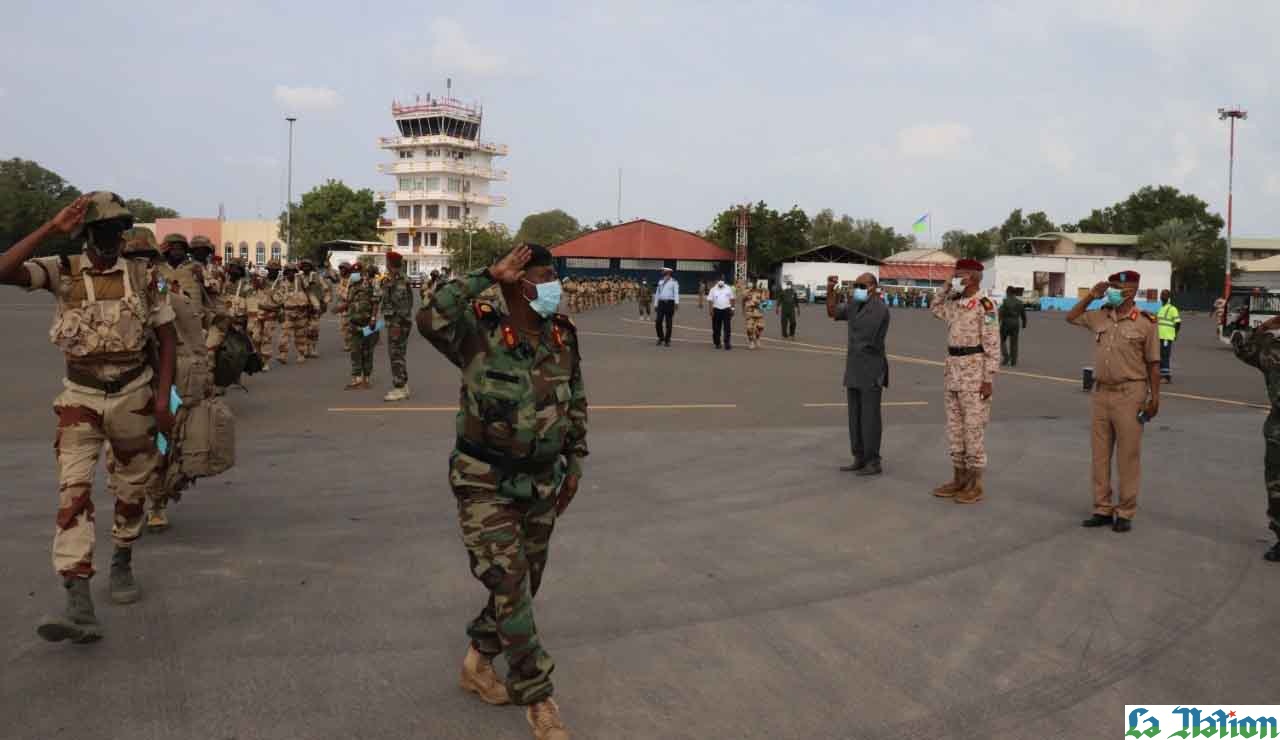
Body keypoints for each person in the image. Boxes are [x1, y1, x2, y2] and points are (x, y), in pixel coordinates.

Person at [417, 243, 585, 740]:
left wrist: (574, 462)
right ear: (517, 281)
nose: (554, 286)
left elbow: (575, 400)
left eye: (555, 275)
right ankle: (538, 697)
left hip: (539, 479)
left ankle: (477, 663)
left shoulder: (560, 334)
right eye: (544, 276)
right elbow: (429, 317)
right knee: (510, 583)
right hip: (483, 480)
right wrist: (484, 275)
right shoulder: (477, 331)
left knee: (523, 583)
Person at [0, 193, 178, 644]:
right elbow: (3, 270)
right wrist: (50, 227)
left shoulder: (144, 275)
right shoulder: (62, 269)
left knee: (132, 489)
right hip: (80, 395)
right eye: (104, 230)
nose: (113, 238)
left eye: (119, 229)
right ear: (86, 234)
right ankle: (77, 600)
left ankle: (122, 556)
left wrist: (162, 400)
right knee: (73, 492)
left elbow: (168, 338)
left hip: (134, 395)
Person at [1067, 270, 1160, 533]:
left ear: (1132, 290)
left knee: (1128, 456)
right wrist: (1090, 297)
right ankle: (1102, 508)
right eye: (1112, 286)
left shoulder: (1146, 322)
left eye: (1118, 287)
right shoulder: (1100, 315)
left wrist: (1154, 399)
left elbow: (1154, 364)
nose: (1113, 291)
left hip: (1130, 393)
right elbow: (1071, 317)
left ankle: (1126, 510)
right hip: (1101, 393)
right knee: (1099, 455)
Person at [930, 259, 1000, 503]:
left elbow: (992, 343)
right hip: (953, 373)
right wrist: (948, 284)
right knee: (955, 430)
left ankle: (975, 483)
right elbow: (934, 306)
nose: (957, 277)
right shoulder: (955, 304)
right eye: (956, 274)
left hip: (974, 373)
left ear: (974, 276)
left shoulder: (985, 305)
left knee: (973, 429)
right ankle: (958, 477)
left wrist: (988, 378)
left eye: (960, 274)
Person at [827, 273, 890, 476]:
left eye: (861, 285)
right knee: (854, 416)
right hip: (854, 366)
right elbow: (832, 312)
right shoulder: (856, 303)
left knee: (869, 417)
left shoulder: (879, 309)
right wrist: (830, 290)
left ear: (873, 287)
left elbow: (865, 336)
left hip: (871, 368)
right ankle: (859, 456)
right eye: (855, 285)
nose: (857, 289)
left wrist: (849, 306)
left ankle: (873, 461)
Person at [1231, 315, 1280, 562]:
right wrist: (1262, 328)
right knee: (1276, 488)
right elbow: (1242, 350)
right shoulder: (1272, 349)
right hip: (1277, 432)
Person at [380, 251, 415, 401]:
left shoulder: (399, 281)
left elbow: (402, 307)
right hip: (397, 322)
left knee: (396, 355)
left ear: (390, 263)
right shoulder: (393, 279)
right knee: (398, 354)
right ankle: (403, 385)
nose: (386, 264)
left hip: (398, 324)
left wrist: (396, 324)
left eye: (387, 261)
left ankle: (399, 388)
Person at [342, 263, 378, 389]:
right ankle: (357, 378)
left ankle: (366, 378)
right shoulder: (350, 285)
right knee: (355, 351)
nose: (355, 274)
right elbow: (348, 302)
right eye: (353, 272)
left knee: (367, 351)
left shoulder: (370, 284)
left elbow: (375, 302)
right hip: (353, 323)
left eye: (358, 272)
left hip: (367, 323)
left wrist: (373, 319)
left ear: (362, 272)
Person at [998, 286, 1028, 367]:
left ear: (1008, 292)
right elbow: (1023, 315)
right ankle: (1013, 361)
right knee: (1014, 342)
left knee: (1001, 340)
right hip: (1015, 323)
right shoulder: (1020, 302)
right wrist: (1024, 324)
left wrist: (997, 323)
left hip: (1006, 323)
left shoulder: (1005, 302)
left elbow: (1000, 313)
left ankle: (1006, 356)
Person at [1156, 289, 1181, 383]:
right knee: (1160, 356)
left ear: (1168, 297)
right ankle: (1161, 374)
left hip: (1166, 337)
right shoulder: (1161, 308)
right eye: (1162, 295)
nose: (1163, 297)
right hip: (1160, 336)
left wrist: (1175, 334)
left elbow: (1178, 322)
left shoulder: (1172, 309)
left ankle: (1166, 377)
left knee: (1165, 356)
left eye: (1165, 295)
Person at [653, 267, 679, 347]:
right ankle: (661, 338)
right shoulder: (660, 282)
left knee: (669, 323)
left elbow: (676, 293)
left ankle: (667, 340)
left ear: (668, 273)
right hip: (661, 303)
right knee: (658, 321)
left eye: (664, 271)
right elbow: (657, 293)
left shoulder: (674, 282)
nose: (662, 272)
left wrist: (676, 303)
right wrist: (655, 304)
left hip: (669, 304)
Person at [706, 278, 735, 350]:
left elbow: (732, 299)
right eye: (719, 280)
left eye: (722, 280)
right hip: (716, 309)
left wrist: (733, 309)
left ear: (724, 281)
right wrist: (710, 310)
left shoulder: (728, 288)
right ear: (717, 281)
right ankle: (717, 343)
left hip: (726, 309)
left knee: (727, 328)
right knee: (716, 328)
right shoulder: (713, 289)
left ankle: (727, 343)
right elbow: (710, 300)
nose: (720, 282)